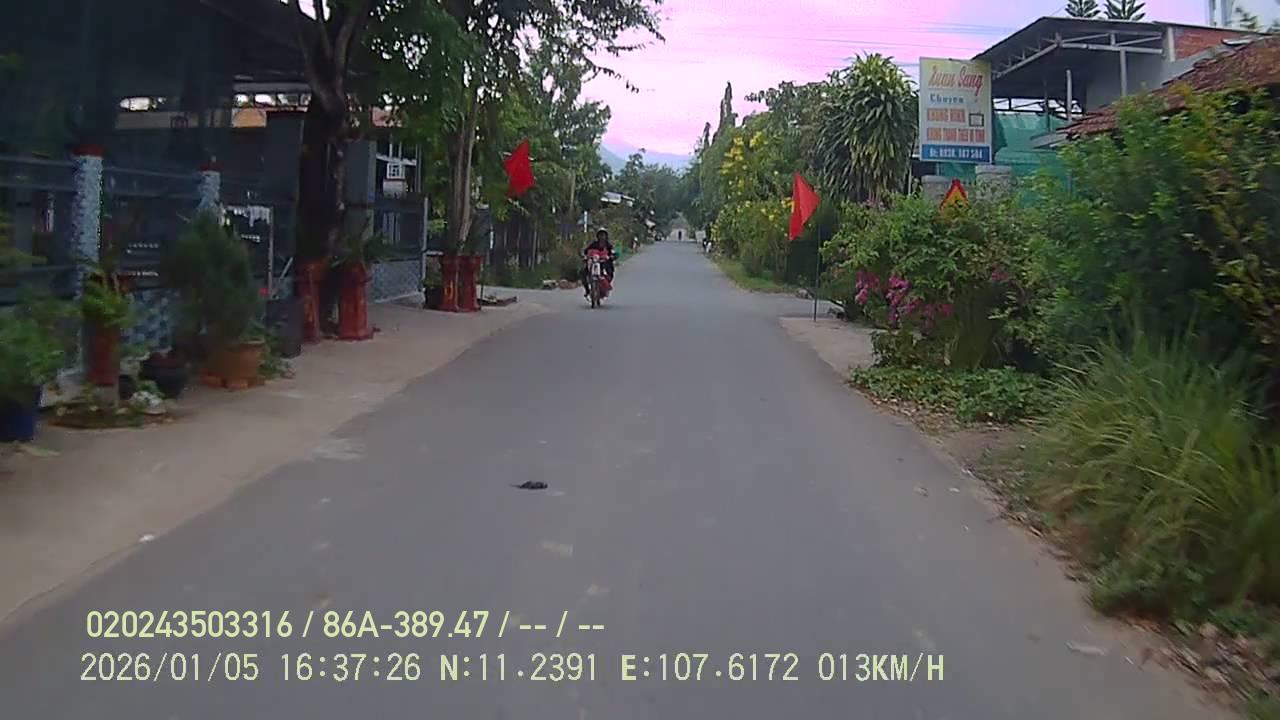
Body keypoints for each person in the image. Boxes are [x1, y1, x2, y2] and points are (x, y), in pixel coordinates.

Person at [581, 228, 616, 296]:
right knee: (583, 273)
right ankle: (587, 290)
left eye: (603, 235)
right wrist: (585, 256)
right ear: (598, 236)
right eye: (600, 235)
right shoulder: (594, 244)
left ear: (606, 236)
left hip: (605, 263)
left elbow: (613, 253)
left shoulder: (608, 245)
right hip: (593, 263)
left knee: (610, 272)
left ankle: (605, 288)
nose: (602, 237)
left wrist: (611, 257)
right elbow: (586, 251)